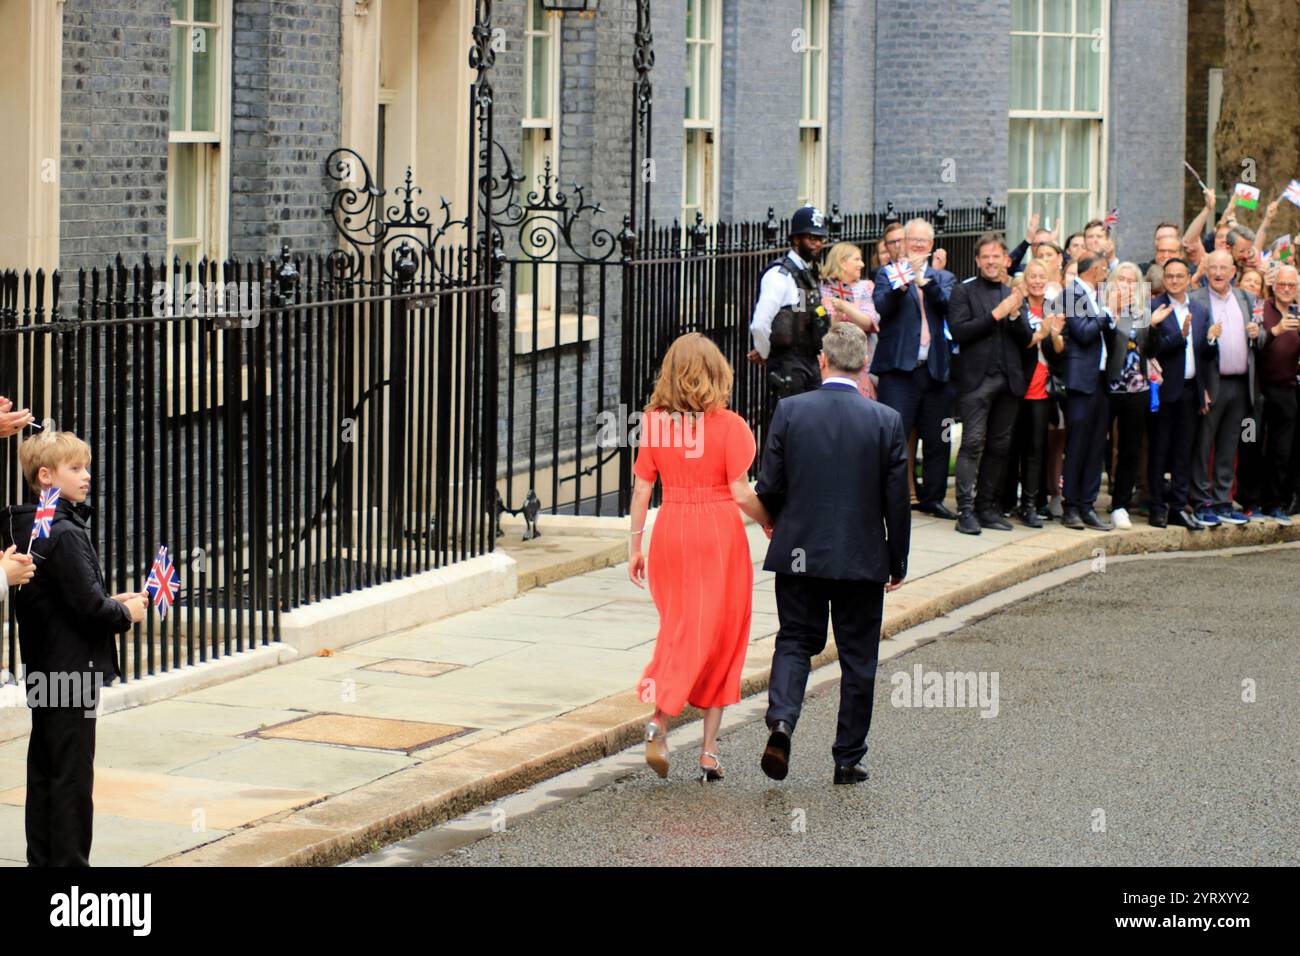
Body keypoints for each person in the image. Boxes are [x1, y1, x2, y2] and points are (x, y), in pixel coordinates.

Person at [755, 322, 909, 786]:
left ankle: (782, 721)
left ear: (822, 362)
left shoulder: (790, 410)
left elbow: (769, 484)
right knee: (858, 658)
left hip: (800, 550)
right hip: (861, 559)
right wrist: (896, 560)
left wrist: (772, 519)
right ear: (864, 366)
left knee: (796, 640)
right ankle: (847, 758)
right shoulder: (885, 421)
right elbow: (896, 503)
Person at [0, 431, 148, 866]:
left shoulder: (26, 523)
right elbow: (88, 607)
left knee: (46, 770)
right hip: (73, 670)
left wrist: (106, 601)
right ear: (45, 476)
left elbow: (61, 594)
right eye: (75, 468)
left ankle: (42, 860)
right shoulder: (63, 531)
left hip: (44, 664)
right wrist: (125, 613)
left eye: (86, 466)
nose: (87, 476)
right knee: (72, 778)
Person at [629, 333, 771, 782]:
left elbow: (641, 489)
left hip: (671, 529)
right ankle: (707, 750)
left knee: (681, 630)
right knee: (724, 636)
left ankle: (661, 721)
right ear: (718, 373)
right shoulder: (731, 426)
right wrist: (772, 521)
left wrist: (634, 546)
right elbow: (741, 492)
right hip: (717, 533)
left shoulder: (653, 423)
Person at [871, 217, 957, 519]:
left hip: (934, 370)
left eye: (924, 241)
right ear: (903, 244)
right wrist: (904, 281)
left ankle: (933, 498)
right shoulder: (887, 273)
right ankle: (887, 499)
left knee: (937, 438)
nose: (918, 246)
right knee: (894, 438)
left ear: (931, 245)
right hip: (899, 371)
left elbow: (950, 306)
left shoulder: (943, 277)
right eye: (913, 241)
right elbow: (881, 307)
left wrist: (925, 283)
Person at [948, 233, 1033, 534]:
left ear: (1005, 260)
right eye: (986, 256)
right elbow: (959, 332)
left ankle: (986, 508)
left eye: (996, 256)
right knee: (971, 443)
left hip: (1009, 380)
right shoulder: (963, 291)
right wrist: (997, 314)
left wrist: (1013, 315)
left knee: (999, 446)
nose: (991, 261)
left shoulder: (1011, 292)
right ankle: (965, 511)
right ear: (977, 261)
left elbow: (1026, 339)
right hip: (976, 381)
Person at [1189, 250, 1269, 526]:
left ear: (1234, 271)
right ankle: (1201, 501)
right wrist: (1202, 388)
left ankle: (1223, 499)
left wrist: (1259, 336)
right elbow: (1194, 348)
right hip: (1213, 384)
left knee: (1229, 444)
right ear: (1207, 270)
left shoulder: (1245, 297)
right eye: (1214, 267)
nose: (1219, 273)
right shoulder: (1196, 300)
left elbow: (1262, 337)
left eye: (1224, 267)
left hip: (1241, 384)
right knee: (1203, 445)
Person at [1043, 253, 1117, 530]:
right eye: (1104, 268)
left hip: (1101, 379)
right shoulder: (1071, 293)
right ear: (1095, 269)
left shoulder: (1097, 295)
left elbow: (1105, 333)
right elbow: (1084, 333)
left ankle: (1088, 504)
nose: (1107, 272)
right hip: (1080, 380)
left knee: (1097, 444)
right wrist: (1106, 313)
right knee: (1077, 444)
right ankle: (1070, 506)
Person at [1144, 258, 1215, 530]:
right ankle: (1157, 507)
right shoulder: (1154, 307)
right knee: (1160, 450)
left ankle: (1177, 506)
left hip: (1190, 389)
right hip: (1163, 390)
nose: (1174, 280)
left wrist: (1211, 340)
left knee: (1185, 451)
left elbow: (1205, 355)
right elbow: (1149, 349)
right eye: (1169, 276)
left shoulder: (1199, 308)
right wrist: (1180, 335)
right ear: (1164, 279)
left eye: (1179, 276)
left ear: (1188, 278)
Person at [748, 205, 831, 409]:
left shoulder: (806, 273)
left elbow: (802, 313)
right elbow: (760, 324)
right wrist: (766, 353)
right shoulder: (779, 275)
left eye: (820, 239)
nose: (817, 244)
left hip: (809, 362)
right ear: (795, 239)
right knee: (789, 430)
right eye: (812, 238)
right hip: (788, 367)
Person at [1236, 264, 1300, 524]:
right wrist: (1277, 330)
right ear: (1273, 286)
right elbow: (1254, 344)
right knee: (1249, 443)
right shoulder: (1260, 308)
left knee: (1280, 451)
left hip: (1286, 392)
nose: (1286, 290)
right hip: (1255, 393)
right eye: (1281, 285)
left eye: (1291, 285)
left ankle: (1275, 502)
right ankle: (1249, 501)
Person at [1004, 259, 1065, 527]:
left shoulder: (1054, 307)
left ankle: (1030, 504)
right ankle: (1005, 501)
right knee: (1010, 447)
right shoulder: (1019, 307)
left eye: (1042, 276)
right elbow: (1019, 341)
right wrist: (1041, 333)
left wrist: (1056, 337)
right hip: (1017, 384)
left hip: (1041, 387)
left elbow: (1058, 352)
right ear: (1025, 280)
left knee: (1035, 450)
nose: (1038, 281)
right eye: (1033, 276)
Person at [1102, 262, 1153, 530]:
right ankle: (1084, 500)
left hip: (1137, 388)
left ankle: (1120, 504)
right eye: (1120, 278)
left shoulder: (1144, 311)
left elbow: (1149, 348)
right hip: (1107, 387)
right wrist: (1114, 310)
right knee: (1098, 443)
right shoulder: (1103, 308)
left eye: (1131, 280)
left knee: (1130, 449)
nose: (1125, 284)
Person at [819, 241, 880, 400]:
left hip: (858, 363)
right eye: (857, 259)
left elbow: (868, 322)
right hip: (829, 361)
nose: (862, 264)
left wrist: (845, 307)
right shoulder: (822, 288)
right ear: (842, 262)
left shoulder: (866, 286)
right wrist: (835, 320)